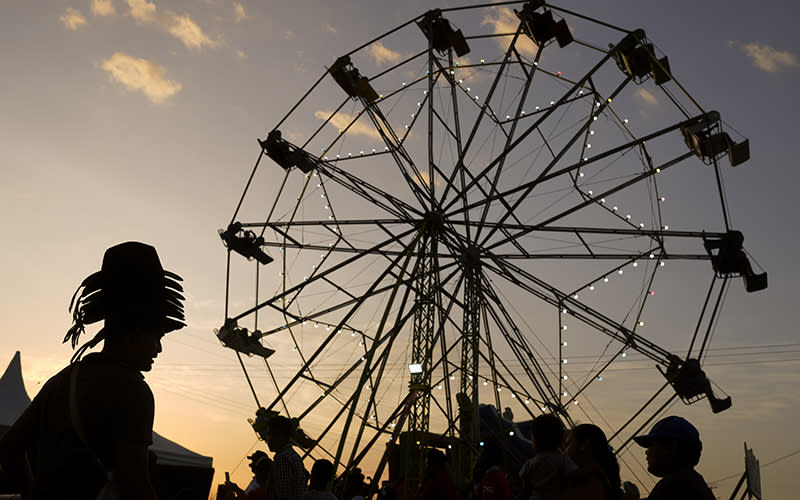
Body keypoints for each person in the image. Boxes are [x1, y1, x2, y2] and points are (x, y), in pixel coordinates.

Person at [0, 241, 186, 500]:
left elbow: (9, 447)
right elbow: (135, 487)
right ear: (134, 334)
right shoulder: (133, 390)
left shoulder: (62, 380)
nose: (159, 349)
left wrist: (31, 493)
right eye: (157, 337)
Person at [633, 416, 715, 500]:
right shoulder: (696, 483)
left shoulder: (673, 486)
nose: (647, 452)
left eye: (651, 445)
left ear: (670, 447)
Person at [519, 414, 578, 500]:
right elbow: (575, 477)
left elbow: (526, 488)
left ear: (535, 440)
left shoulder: (529, 464)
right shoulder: (563, 460)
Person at [557, 424, 621, 500]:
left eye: (568, 444)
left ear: (583, 445)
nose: (564, 452)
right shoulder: (592, 477)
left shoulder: (591, 483)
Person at [266, 415, 307, 500]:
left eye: (273, 434)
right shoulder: (294, 457)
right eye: (269, 435)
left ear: (284, 436)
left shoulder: (282, 459)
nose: (269, 439)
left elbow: (284, 494)